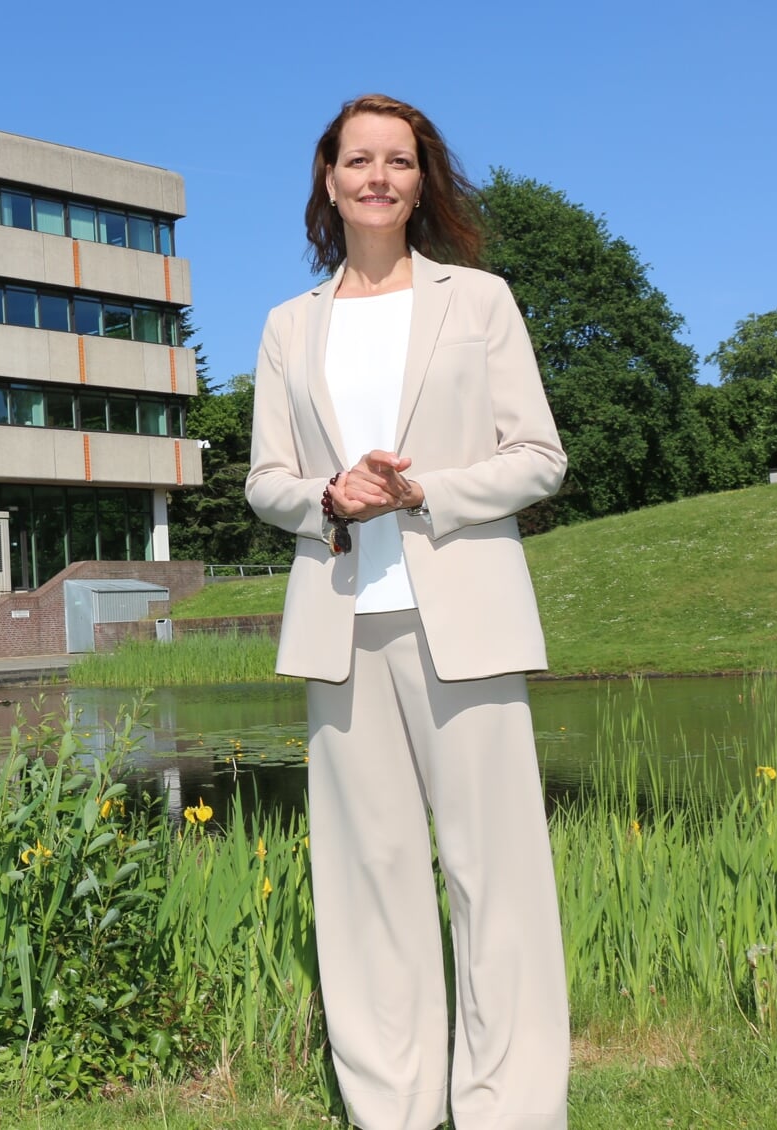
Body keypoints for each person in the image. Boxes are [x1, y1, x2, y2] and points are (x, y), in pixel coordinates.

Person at [244, 94, 570, 1130]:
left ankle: (510, 1108)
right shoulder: (288, 327)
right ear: (328, 181)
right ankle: (392, 1107)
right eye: (358, 161)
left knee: (496, 880)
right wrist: (327, 497)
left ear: (421, 180)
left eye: (399, 160)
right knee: (368, 882)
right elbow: (265, 479)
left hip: (464, 620)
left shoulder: (480, 300)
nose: (378, 176)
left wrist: (425, 490)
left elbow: (539, 457)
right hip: (344, 627)